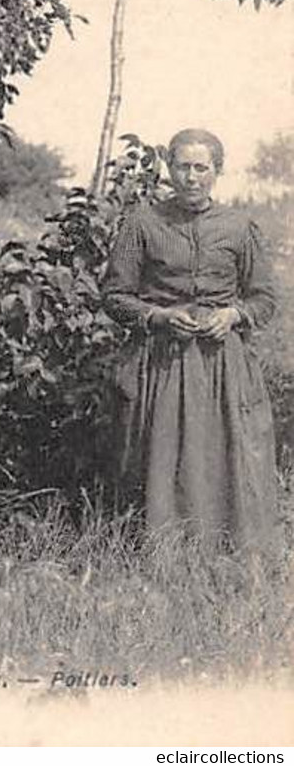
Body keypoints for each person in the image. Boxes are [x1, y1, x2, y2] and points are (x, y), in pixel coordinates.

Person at [102, 128, 278, 558]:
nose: (192, 177)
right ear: (169, 168)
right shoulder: (142, 224)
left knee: (228, 455)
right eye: (183, 166)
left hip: (223, 364)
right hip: (162, 362)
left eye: (202, 167)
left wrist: (234, 314)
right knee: (162, 457)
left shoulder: (238, 228)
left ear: (217, 171)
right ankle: (160, 558)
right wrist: (157, 316)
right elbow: (114, 296)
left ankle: (230, 557)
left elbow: (265, 297)